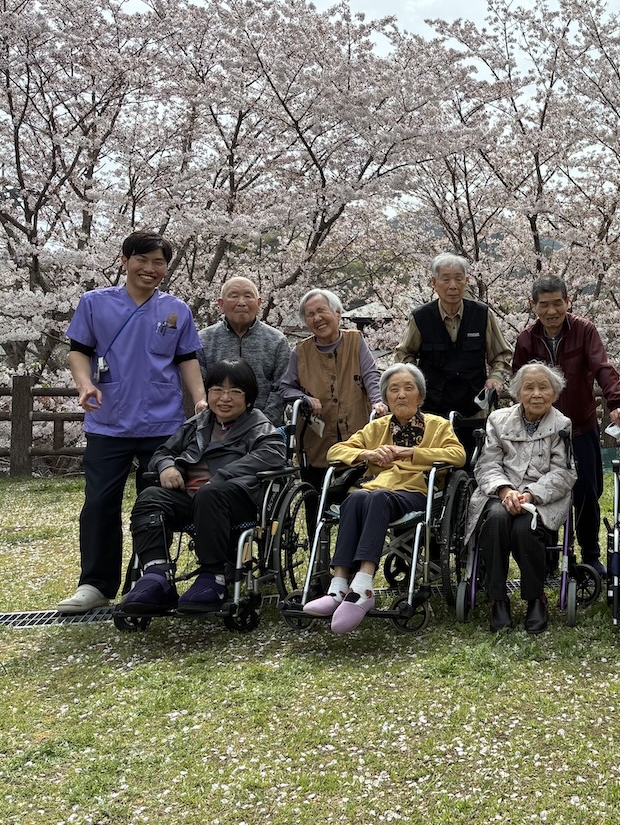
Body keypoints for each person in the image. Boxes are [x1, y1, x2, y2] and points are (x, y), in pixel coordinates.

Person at [59, 231, 207, 614]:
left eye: (159, 262)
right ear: (124, 260)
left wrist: (201, 397)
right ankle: (95, 583)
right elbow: (78, 351)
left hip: (162, 425)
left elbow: (186, 358)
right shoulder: (95, 303)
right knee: (99, 504)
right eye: (143, 260)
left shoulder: (176, 309)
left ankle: (148, 578)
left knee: (155, 503)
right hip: (108, 422)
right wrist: (85, 384)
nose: (151, 269)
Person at [302, 363, 465, 633]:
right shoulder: (376, 428)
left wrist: (411, 453)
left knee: (376, 498)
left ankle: (364, 587)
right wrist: (367, 454)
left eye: (408, 388)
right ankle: (338, 588)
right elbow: (335, 452)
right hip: (374, 490)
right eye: (393, 390)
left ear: (420, 396)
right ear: (386, 398)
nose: (401, 395)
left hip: (414, 492)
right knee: (354, 499)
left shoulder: (438, 425)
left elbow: (457, 456)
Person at [119, 360, 286, 614]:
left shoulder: (259, 426)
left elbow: (273, 455)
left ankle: (213, 577)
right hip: (190, 499)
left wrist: (222, 476)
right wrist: (166, 466)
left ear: (249, 398)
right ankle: (156, 575)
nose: (224, 398)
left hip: (234, 501)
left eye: (235, 392)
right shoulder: (198, 423)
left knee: (210, 493)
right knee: (150, 496)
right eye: (217, 390)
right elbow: (163, 452)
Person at [512, 275, 620, 575]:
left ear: (568, 301)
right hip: (540, 432)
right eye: (544, 304)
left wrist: (616, 403)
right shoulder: (526, 340)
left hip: (580, 426)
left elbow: (602, 366)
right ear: (532, 305)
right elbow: (519, 386)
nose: (551, 311)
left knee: (587, 492)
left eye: (557, 303)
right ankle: (548, 558)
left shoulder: (584, 330)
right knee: (541, 490)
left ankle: (590, 554)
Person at [464, 363, 577, 634]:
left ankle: (535, 597)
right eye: (529, 387)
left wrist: (529, 495)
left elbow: (563, 473)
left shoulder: (561, 425)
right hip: (498, 494)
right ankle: (498, 598)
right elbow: (487, 464)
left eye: (543, 387)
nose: (536, 394)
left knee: (526, 528)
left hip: (539, 499)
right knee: (496, 520)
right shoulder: (498, 420)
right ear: (517, 392)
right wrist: (505, 491)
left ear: (555, 393)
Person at [279, 288, 387, 485]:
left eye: (322, 311)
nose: (317, 318)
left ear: (337, 313)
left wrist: (378, 401)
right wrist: (304, 399)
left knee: (356, 494)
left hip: (355, 432)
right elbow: (286, 387)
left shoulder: (355, 341)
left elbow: (371, 375)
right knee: (317, 499)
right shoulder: (300, 351)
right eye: (310, 315)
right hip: (316, 442)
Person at [395, 253, 513, 418]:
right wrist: (414, 382)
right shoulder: (421, 317)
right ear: (434, 283)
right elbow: (404, 354)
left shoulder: (482, 314)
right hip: (432, 406)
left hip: (474, 407)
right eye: (445, 279)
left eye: (458, 279)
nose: (453, 286)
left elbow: (501, 355)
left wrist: (496, 377)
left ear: (467, 281)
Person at [199, 276, 291, 424]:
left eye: (248, 296)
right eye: (234, 296)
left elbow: (281, 387)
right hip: (216, 428)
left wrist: (264, 424)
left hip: (265, 429)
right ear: (221, 304)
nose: (241, 302)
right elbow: (200, 386)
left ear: (259, 303)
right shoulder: (204, 339)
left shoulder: (277, 340)